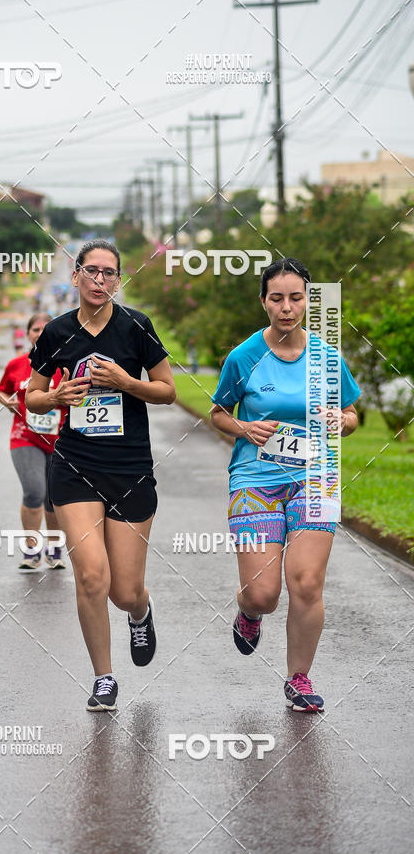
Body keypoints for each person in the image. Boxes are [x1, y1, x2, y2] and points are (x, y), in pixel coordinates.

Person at [26, 239, 176, 711]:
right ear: (75, 276)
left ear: (118, 279)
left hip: (129, 468)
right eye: (90, 271)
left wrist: (126, 384)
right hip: (75, 464)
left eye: (108, 273)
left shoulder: (136, 327)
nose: (99, 280)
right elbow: (30, 395)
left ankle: (141, 611)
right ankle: (103, 677)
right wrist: (56, 397)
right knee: (91, 576)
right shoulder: (56, 332)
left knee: (123, 590)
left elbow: (168, 391)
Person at [210, 258, 360, 713]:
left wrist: (341, 421)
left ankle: (299, 678)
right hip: (256, 479)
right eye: (277, 298)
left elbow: (352, 415)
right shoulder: (245, 356)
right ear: (264, 302)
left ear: (308, 302)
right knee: (264, 592)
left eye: (296, 297)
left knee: (308, 582)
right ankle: (249, 613)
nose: (287, 307)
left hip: (317, 479)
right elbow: (218, 413)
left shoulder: (327, 356)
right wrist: (243, 428)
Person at [0, 313, 66, 570]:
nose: (40, 332)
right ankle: (31, 550)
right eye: (35, 329)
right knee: (35, 490)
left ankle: (55, 548)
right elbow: (3, 389)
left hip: (60, 440)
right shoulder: (17, 365)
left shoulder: (66, 363)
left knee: (54, 498)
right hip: (25, 437)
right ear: (28, 334)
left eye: (46, 328)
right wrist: (7, 401)